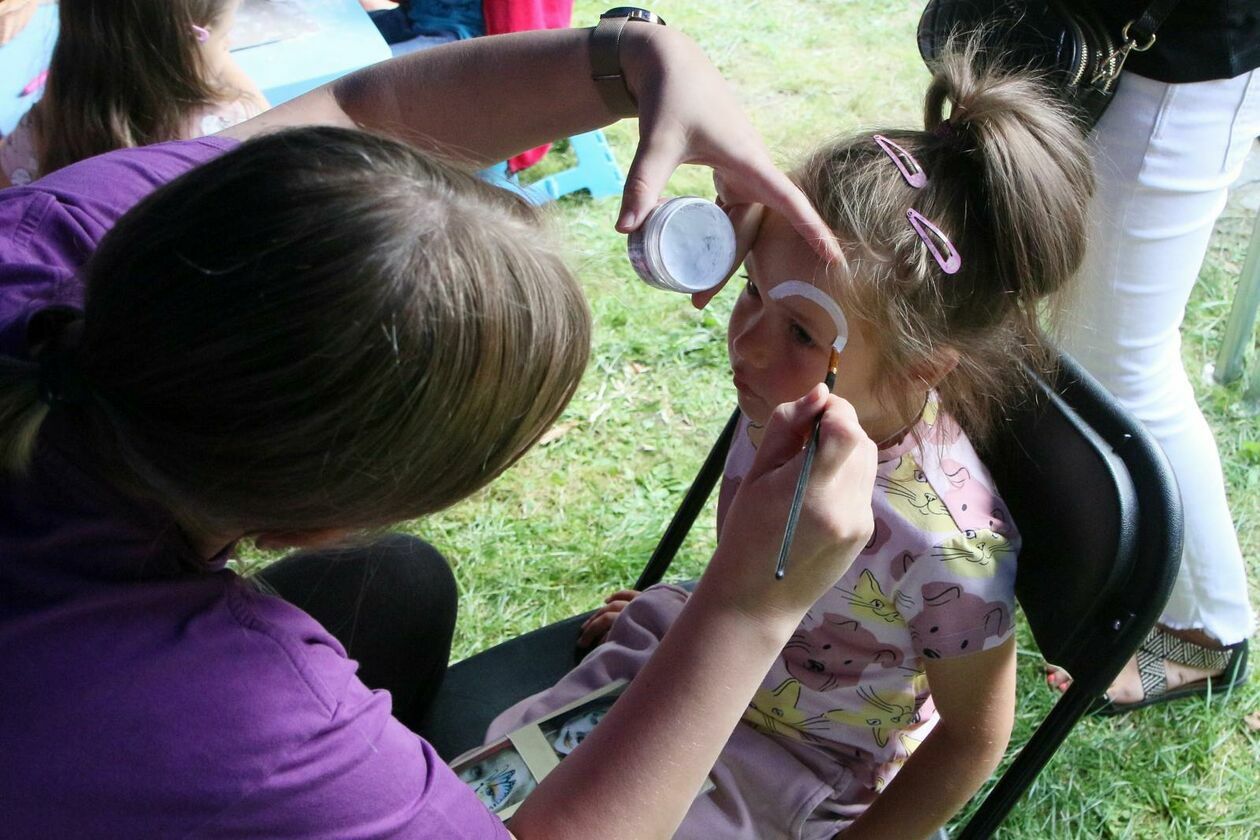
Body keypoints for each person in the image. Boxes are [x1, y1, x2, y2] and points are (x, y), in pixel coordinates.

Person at [0, 20, 881, 840]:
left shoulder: (61, 232)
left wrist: (634, 59)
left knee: (396, 588)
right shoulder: (234, 722)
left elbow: (359, 109)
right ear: (311, 523)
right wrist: (746, 608)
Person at [487, 45, 1094, 840]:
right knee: (499, 782)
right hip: (707, 662)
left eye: (802, 329)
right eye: (752, 291)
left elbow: (975, 738)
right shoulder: (793, 396)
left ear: (923, 365)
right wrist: (698, 609)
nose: (747, 344)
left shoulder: (948, 548)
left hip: (802, 764)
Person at [1046, 0, 1258, 714]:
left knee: (1122, 363)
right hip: (1086, 36)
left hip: (1173, 51)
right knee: (1072, 332)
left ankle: (1207, 636)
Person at [0, 0, 267, 187]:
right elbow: (273, 133)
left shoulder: (43, 126)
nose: (229, 44)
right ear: (186, 43)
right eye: (225, 37)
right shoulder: (225, 125)